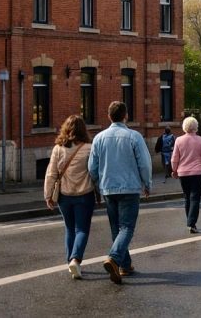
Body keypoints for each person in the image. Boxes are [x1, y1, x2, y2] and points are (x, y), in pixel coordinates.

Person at [88, 101, 152, 284]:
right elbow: (145, 164)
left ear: (108, 116)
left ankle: (125, 265)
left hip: (108, 187)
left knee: (116, 228)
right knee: (127, 228)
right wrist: (147, 184)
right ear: (126, 116)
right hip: (130, 188)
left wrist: (96, 184)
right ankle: (114, 258)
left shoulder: (99, 138)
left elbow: (92, 167)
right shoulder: (134, 136)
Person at [43, 115, 96, 280]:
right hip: (84, 194)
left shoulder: (58, 148)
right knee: (82, 229)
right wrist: (100, 190)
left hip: (64, 196)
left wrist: (48, 195)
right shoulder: (89, 148)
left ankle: (70, 262)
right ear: (83, 129)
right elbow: (95, 172)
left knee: (69, 228)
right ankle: (76, 259)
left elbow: (51, 174)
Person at [171, 116, 201, 234]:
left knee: (187, 197)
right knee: (195, 198)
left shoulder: (179, 140)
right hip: (198, 172)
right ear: (196, 127)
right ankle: (191, 223)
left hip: (183, 173)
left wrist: (174, 170)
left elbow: (174, 158)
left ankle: (190, 222)